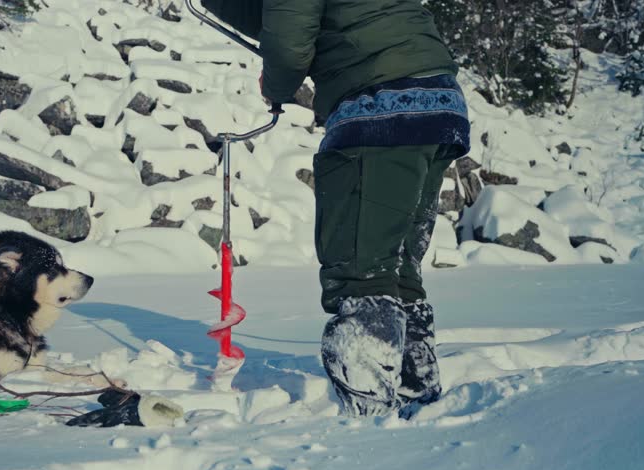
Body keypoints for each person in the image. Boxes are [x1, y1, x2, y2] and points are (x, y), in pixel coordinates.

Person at [200, 0, 471, 417]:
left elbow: (290, 42)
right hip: (438, 104)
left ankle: (371, 428)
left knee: (362, 274)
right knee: (395, 270)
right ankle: (420, 407)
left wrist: (276, 85)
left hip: (380, 105)